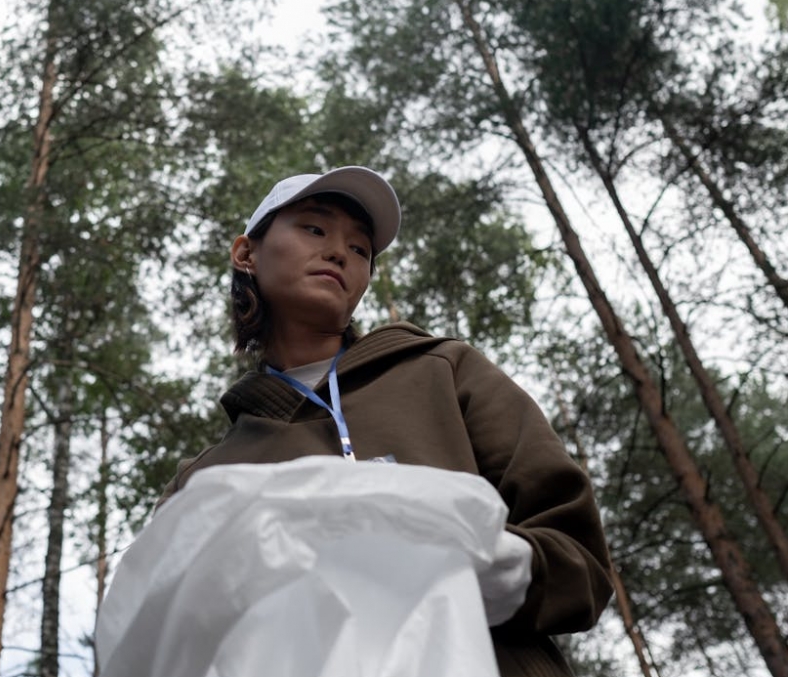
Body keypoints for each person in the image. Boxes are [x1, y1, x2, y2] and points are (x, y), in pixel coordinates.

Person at [156, 166, 614, 677]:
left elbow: (581, 563)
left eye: (360, 250)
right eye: (314, 228)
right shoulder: (200, 483)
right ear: (246, 253)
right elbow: (164, 641)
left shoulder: (441, 369)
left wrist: (466, 561)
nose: (339, 253)